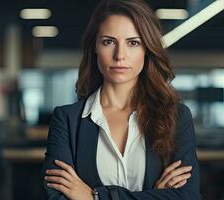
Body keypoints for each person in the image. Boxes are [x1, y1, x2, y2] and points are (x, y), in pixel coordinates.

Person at [41, 0, 201, 199]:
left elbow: (188, 196)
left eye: (133, 42)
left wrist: (95, 197)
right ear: (95, 47)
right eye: (109, 41)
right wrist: (155, 195)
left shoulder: (177, 116)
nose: (120, 55)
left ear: (147, 49)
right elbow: (57, 196)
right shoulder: (66, 120)